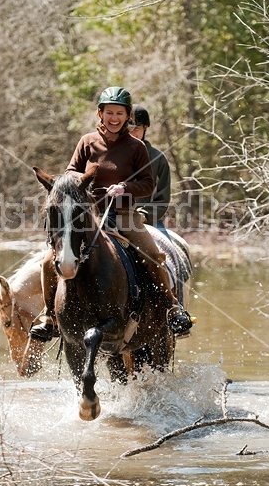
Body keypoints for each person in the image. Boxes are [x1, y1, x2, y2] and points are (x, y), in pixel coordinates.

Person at [30, 86, 193, 342]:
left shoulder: (136, 147)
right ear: (100, 113)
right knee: (49, 260)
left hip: (124, 214)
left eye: (119, 113)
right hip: (89, 217)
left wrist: (125, 187)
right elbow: (71, 171)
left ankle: (172, 308)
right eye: (109, 112)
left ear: (127, 116)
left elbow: (148, 184)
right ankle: (48, 316)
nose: (114, 118)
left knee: (153, 255)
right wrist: (76, 181)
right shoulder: (86, 142)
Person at [129, 104, 172, 240]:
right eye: (128, 128)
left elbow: (162, 198)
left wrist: (144, 215)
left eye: (136, 128)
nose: (132, 133)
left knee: (164, 251)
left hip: (148, 219)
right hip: (114, 217)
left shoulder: (158, 159)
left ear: (145, 128)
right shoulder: (114, 156)